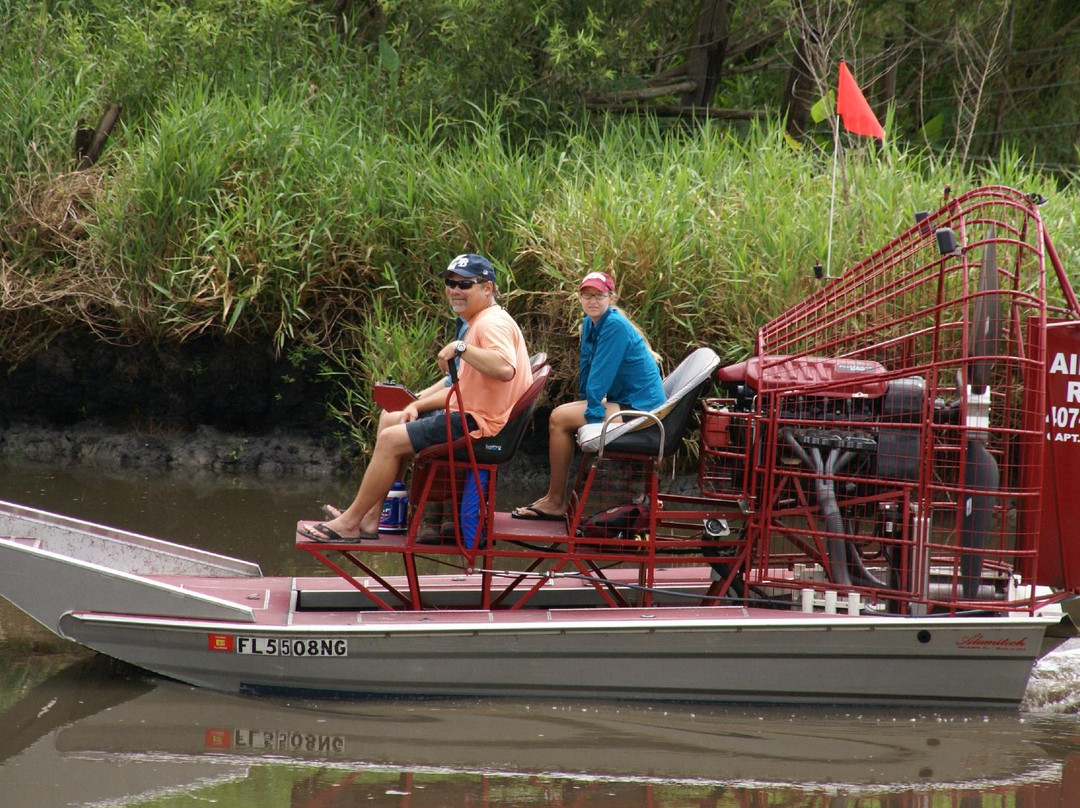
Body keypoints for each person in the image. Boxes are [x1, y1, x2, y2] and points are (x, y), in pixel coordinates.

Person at [307, 254, 533, 541]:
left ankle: (350, 522)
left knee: (390, 440)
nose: (454, 290)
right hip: (474, 415)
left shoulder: (490, 324)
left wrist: (460, 347)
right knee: (392, 418)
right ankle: (369, 518)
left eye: (465, 285)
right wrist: (416, 403)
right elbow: (463, 385)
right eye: (450, 283)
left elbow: (504, 368)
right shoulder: (480, 320)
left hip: (480, 425)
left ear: (487, 288)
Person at [511, 271, 665, 520]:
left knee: (559, 419)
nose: (592, 301)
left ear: (611, 297)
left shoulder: (615, 325)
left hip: (643, 407)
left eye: (599, 295)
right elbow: (587, 367)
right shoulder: (589, 323)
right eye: (586, 295)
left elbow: (600, 375)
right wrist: (586, 401)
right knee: (563, 413)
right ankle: (554, 498)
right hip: (624, 399)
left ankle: (556, 501)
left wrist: (592, 413)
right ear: (580, 298)